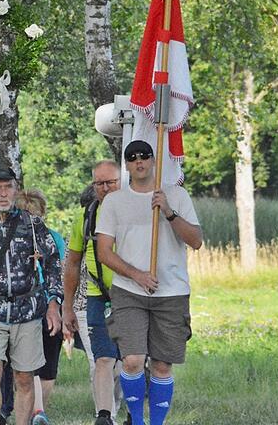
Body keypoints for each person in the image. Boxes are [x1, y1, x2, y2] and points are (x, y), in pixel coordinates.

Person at [95, 141, 202, 425]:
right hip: (129, 291)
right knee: (131, 360)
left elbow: (196, 240)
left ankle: (156, 423)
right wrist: (137, 275)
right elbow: (104, 252)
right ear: (126, 165)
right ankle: (137, 421)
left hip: (171, 292)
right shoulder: (114, 201)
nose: (139, 161)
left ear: (153, 160)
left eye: (144, 156)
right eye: (132, 158)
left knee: (161, 365)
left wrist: (168, 211)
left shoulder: (176, 195)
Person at [0, 164, 62, 425]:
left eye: (8, 187)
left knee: (24, 376)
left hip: (27, 309)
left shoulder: (32, 224)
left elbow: (52, 263)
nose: (4, 193)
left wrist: (54, 302)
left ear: (16, 190)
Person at [61, 160, 125, 425]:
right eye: (99, 183)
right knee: (103, 358)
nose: (105, 188)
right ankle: (103, 416)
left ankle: (132, 412)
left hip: (133, 296)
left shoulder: (137, 213)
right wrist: (67, 305)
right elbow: (72, 263)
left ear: (122, 182)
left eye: (111, 182)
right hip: (99, 297)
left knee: (131, 362)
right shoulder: (85, 218)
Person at [15, 189, 66, 425]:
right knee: (29, 360)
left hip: (50, 304)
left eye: (34, 214)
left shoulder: (54, 238)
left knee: (49, 361)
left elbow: (61, 270)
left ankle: (40, 409)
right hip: (23, 307)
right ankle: (36, 411)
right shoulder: (10, 239)